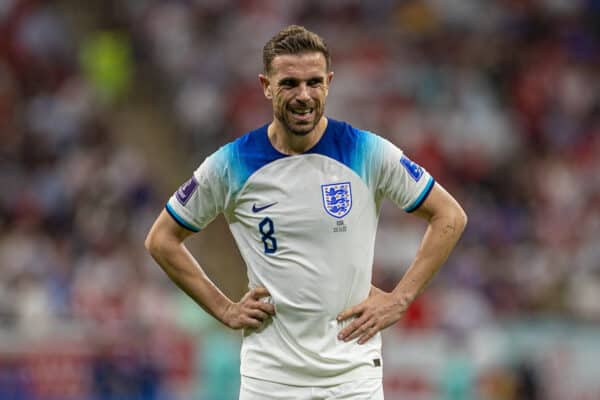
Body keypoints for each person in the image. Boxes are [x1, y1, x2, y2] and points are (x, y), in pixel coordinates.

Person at [145, 25, 467, 399]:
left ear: (329, 82)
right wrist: (224, 309)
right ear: (266, 85)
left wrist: (400, 299)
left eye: (314, 82)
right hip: (270, 377)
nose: (304, 95)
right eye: (289, 84)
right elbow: (161, 239)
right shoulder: (232, 163)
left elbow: (450, 216)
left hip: (353, 374)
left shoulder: (365, 150)